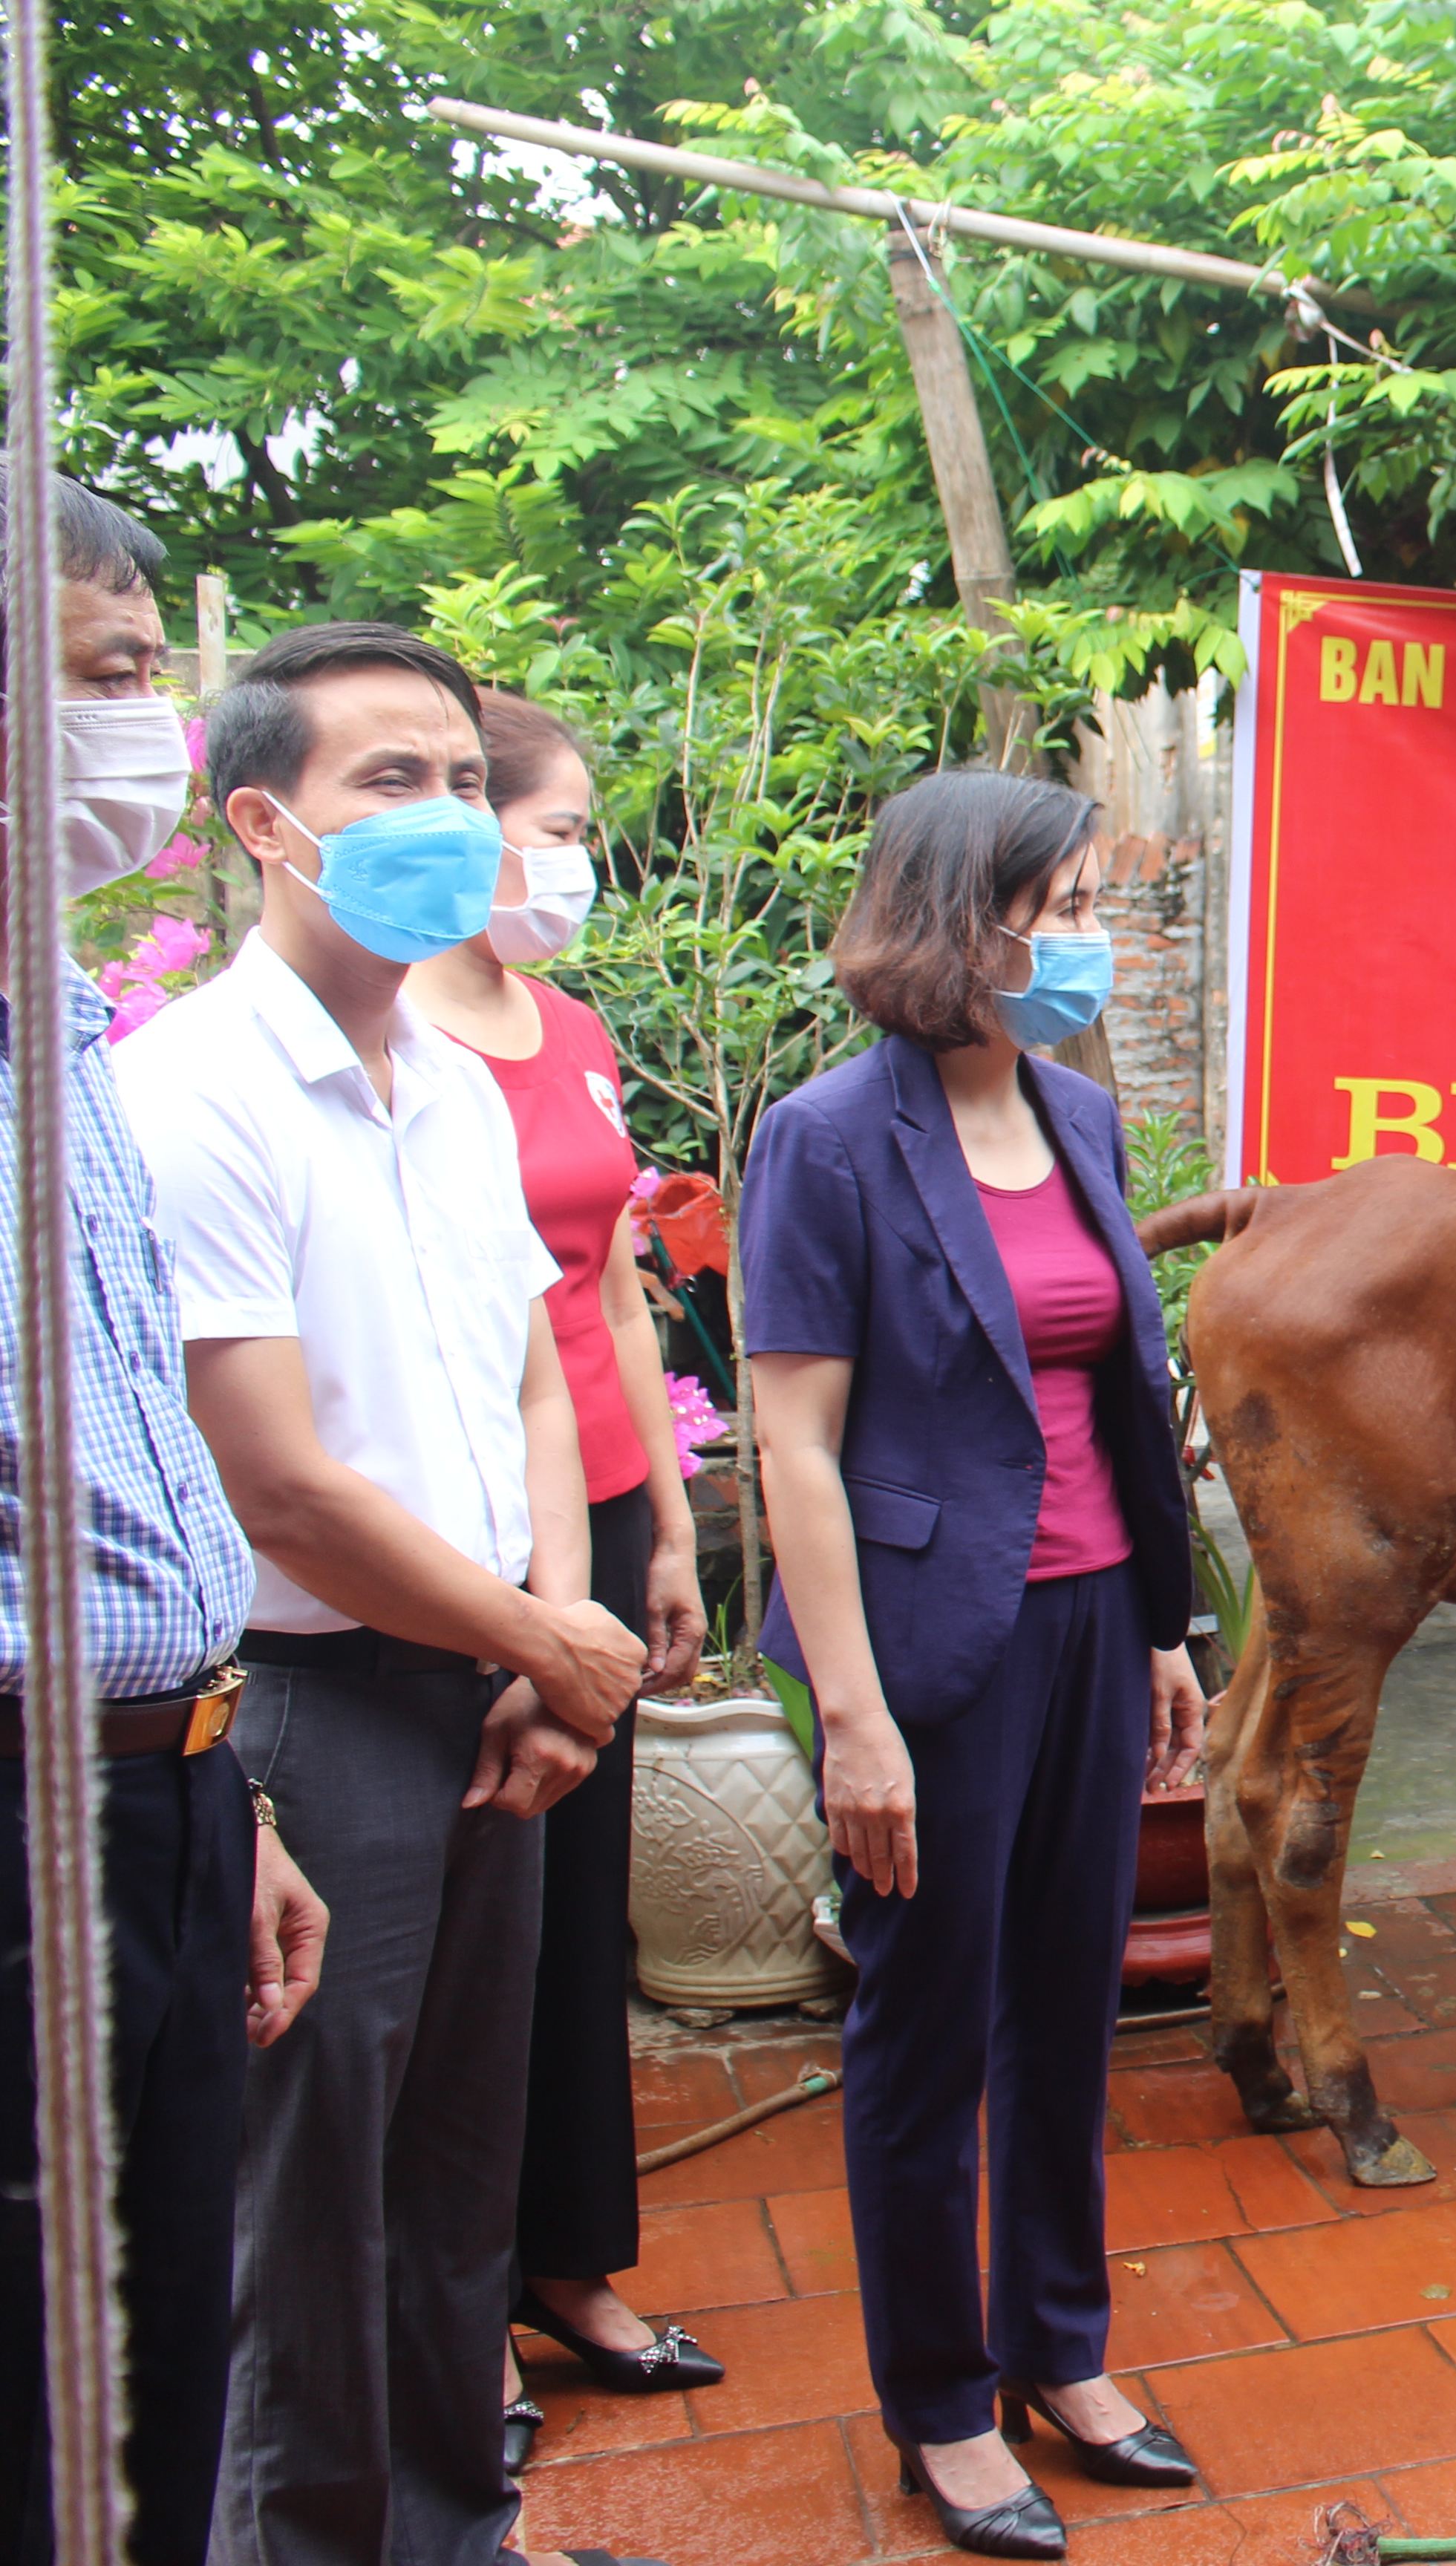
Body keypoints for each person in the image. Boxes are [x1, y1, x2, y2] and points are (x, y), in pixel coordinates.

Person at [120, 621, 650, 2566]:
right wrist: (541, 1638)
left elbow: (536, 1369)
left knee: (455, 2185)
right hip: (308, 1711)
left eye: (457, 780)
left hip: (497, 1689)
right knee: (308, 2211)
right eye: (388, 784)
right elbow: (275, 1479)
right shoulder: (188, 1095)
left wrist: (550, 1637)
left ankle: (462, 2533)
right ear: (264, 821)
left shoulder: (439, 1079)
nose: (446, 820)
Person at [743, 768, 1207, 2559]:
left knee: (1069, 2003)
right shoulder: (832, 1138)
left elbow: (1109, 1390)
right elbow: (795, 1446)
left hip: (1094, 1620)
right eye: (1068, 902)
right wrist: (850, 1714)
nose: (1092, 936)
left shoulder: (1077, 1116)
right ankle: (942, 2401)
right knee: (927, 2025)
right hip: (933, 1649)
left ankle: (1061, 2350)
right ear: (967, 918)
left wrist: (1167, 1626)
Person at [0, 474, 325, 2566]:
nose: (158, 739)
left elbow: (120, 1477)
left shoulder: (63, 1034)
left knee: (158, 2359)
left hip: (170, 1794)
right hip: (34, 1826)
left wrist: (233, 1786)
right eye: (118, 679)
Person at [395, 691, 719, 2467]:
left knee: (575, 1917)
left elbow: (604, 1293)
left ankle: (571, 2265)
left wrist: (662, 1531)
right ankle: (454, 2326)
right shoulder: (399, 1044)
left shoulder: (573, 1028)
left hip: (588, 1512)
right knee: (455, 1940)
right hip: (454, 1546)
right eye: (559, 823)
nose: (577, 859)